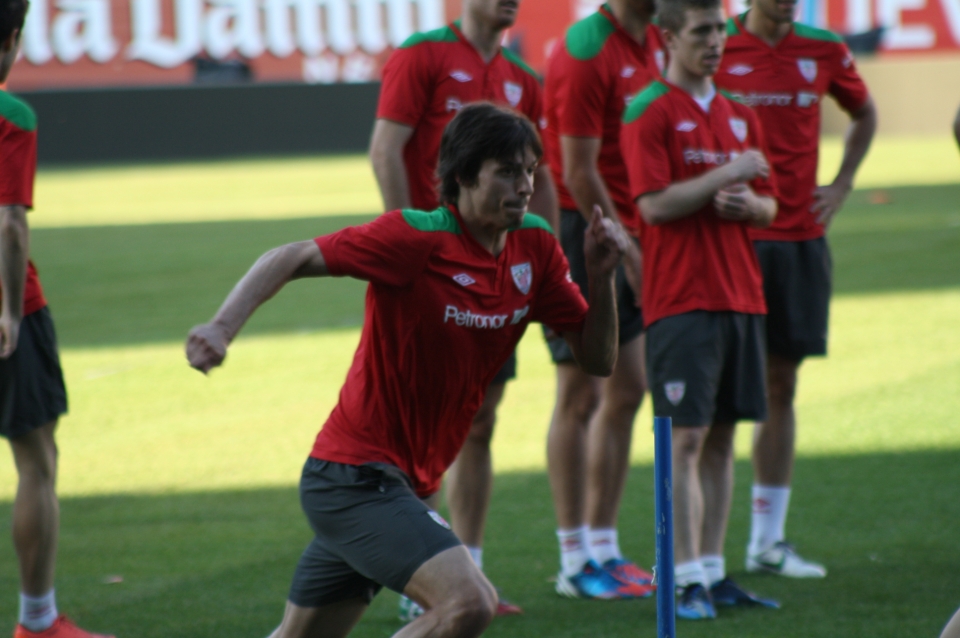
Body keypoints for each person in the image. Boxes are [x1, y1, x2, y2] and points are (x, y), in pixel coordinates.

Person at [187, 103, 627, 638]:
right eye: (508, 172)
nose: (526, 186)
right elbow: (292, 254)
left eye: (530, 170)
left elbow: (598, 360)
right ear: (463, 175)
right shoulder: (416, 238)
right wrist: (221, 327)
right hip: (354, 477)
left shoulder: (535, 247)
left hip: (409, 485)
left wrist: (602, 278)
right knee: (469, 604)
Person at [368, 0, 558, 616]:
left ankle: (467, 570)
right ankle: (418, 583)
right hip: (433, 276)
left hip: (492, 278)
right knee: (414, 429)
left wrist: (546, 260)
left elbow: (541, 178)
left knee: (478, 421)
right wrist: (414, 249)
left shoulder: (524, 80)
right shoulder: (422, 55)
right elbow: (385, 151)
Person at [620, 0, 782, 619]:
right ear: (667, 36)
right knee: (683, 438)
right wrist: (726, 176)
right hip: (681, 298)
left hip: (741, 293)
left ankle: (713, 573)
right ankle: (682, 576)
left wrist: (751, 207)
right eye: (702, 31)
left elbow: (771, 205)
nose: (716, 41)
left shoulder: (739, 115)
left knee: (721, 437)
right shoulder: (648, 110)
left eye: (720, 29)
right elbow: (653, 206)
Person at [716, 0, 876, 578]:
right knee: (723, 400)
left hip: (801, 239)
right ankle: (703, 557)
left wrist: (841, 184)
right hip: (735, 242)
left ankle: (766, 539)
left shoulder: (824, 48)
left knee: (782, 385)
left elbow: (864, 113)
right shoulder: (715, 43)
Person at [540, 0, 664, 599]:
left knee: (629, 386)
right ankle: (572, 560)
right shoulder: (586, 50)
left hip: (630, 227)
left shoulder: (654, 39)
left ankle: (605, 546)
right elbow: (579, 170)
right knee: (580, 390)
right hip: (584, 228)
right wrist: (629, 251)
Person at [0, 3, 114, 637]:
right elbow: (10, 222)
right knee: (35, 462)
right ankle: (37, 622)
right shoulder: (9, 115)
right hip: (12, 310)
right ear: (12, 39)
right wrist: (10, 313)